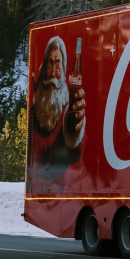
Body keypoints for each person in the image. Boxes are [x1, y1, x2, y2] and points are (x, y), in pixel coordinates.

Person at [29, 36, 84, 187]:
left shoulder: (68, 111)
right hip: (39, 191)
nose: (53, 73)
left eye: (58, 67)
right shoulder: (34, 114)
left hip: (62, 190)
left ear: (64, 73)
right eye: (49, 66)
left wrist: (77, 125)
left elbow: (76, 153)